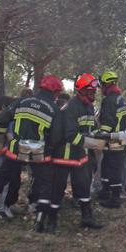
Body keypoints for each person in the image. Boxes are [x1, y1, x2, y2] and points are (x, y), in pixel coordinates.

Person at [0, 75, 63, 231]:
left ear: (40, 88)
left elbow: (2, 120)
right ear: (55, 92)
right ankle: (39, 222)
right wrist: (50, 148)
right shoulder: (54, 109)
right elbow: (57, 136)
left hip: (16, 149)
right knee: (45, 184)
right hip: (39, 152)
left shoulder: (21, 102)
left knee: (0, 180)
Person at [47, 74, 103, 233]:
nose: (93, 94)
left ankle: (87, 218)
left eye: (94, 92)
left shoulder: (89, 107)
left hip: (79, 155)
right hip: (64, 155)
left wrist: (102, 135)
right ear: (81, 90)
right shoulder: (70, 107)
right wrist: (93, 143)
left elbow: (91, 128)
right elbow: (70, 135)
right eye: (91, 91)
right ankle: (51, 221)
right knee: (58, 188)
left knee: (84, 186)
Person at [97, 71, 126, 208]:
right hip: (121, 138)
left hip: (112, 139)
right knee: (107, 165)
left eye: (102, 85)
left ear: (107, 84)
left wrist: (100, 134)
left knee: (113, 168)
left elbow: (108, 122)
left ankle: (115, 199)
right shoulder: (121, 99)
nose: (100, 89)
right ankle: (105, 191)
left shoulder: (109, 100)